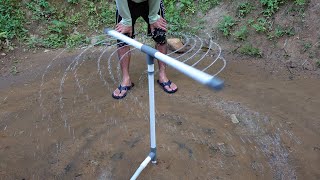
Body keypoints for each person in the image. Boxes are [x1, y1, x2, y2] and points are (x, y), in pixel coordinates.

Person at [112, 0, 178, 99]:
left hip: (151, 2)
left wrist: (153, 17)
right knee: (123, 38)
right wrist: (126, 21)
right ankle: (126, 79)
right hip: (126, 3)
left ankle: (162, 75)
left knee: (159, 33)